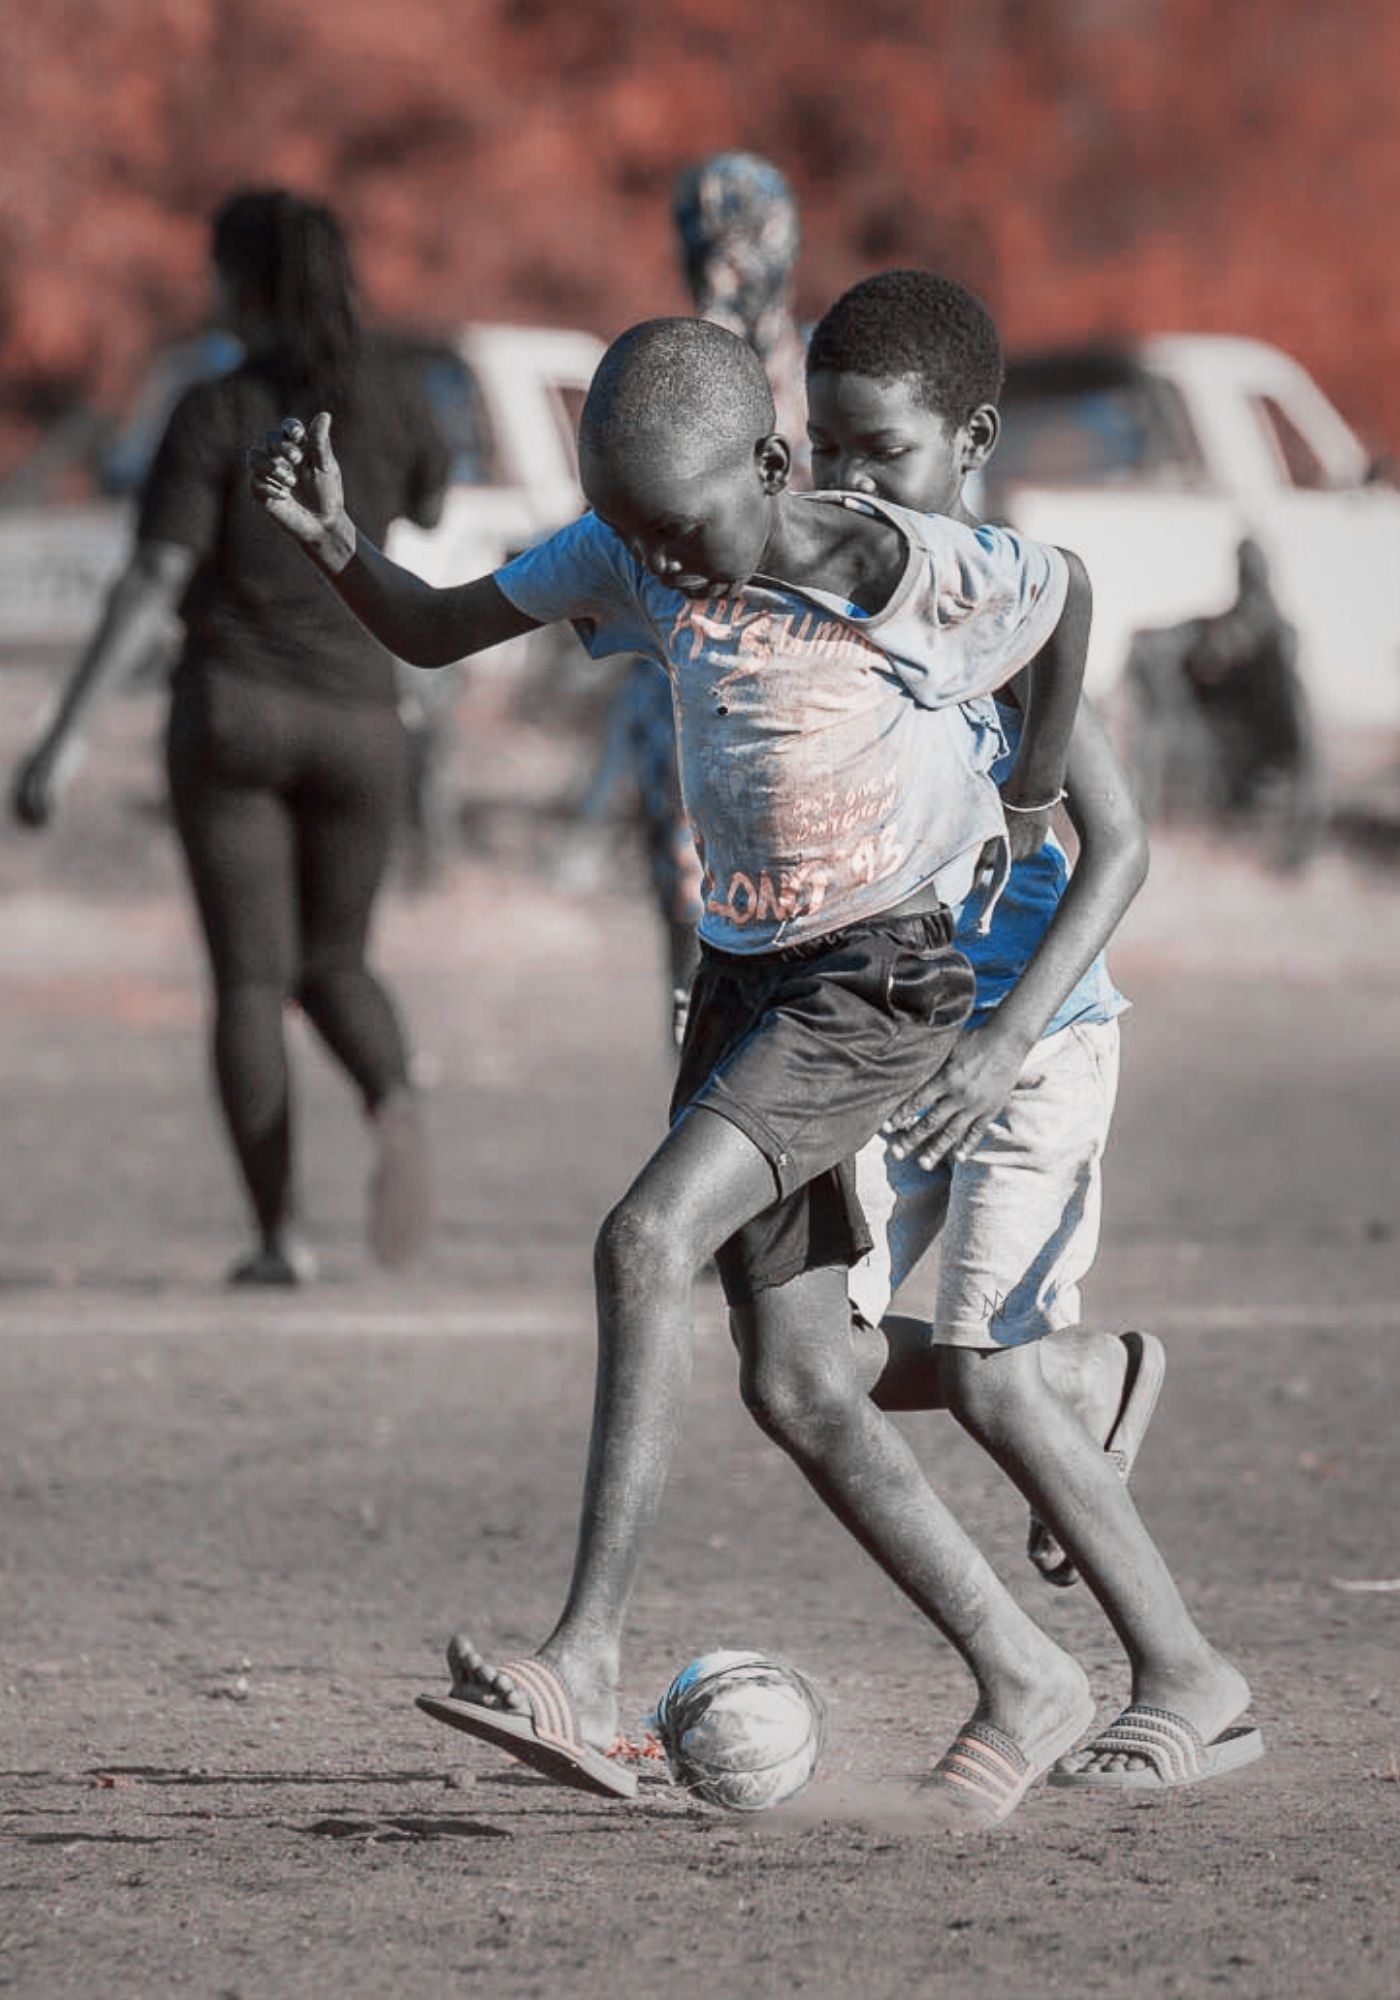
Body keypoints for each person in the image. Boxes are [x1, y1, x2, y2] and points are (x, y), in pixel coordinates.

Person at [250, 311, 1099, 1816]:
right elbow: (442, 626)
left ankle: (582, 1659)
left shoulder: (896, 563)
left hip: (880, 976)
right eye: (633, 535)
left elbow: (1069, 592)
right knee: (800, 1384)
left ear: (773, 465)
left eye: (686, 528)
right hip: (751, 981)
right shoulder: (632, 545)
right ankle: (1028, 1672)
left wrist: (1031, 792)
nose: (664, 564)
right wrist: (336, 544)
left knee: (643, 1240)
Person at [798, 268, 1260, 1801]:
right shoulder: (826, 613)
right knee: (811, 1351)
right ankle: (1096, 1378)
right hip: (894, 1044)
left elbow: (1115, 849)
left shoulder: (1005, 609)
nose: (855, 484)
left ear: (972, 439)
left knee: (988, 1376)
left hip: (1033, 1052)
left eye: (886, 450)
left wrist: (1005, 1042)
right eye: (829, 450)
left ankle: (1195, 1683)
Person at [12, 188, 447, 1285]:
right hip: (362, 713)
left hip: (234, 711)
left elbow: (155, 575)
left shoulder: (212, 409)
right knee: (336, 958)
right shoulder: (393, 396)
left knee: (253, 982)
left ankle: (279, 1235)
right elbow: (434, 506)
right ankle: (392, 1091)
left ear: (242, 285)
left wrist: (61, 737)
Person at [593, 152, 809, 1046]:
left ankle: (712, 1133)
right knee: (788, 938)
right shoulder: (812, 372)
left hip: (702, 698)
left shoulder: (675, 369)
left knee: (705, 944)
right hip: (790, 700)